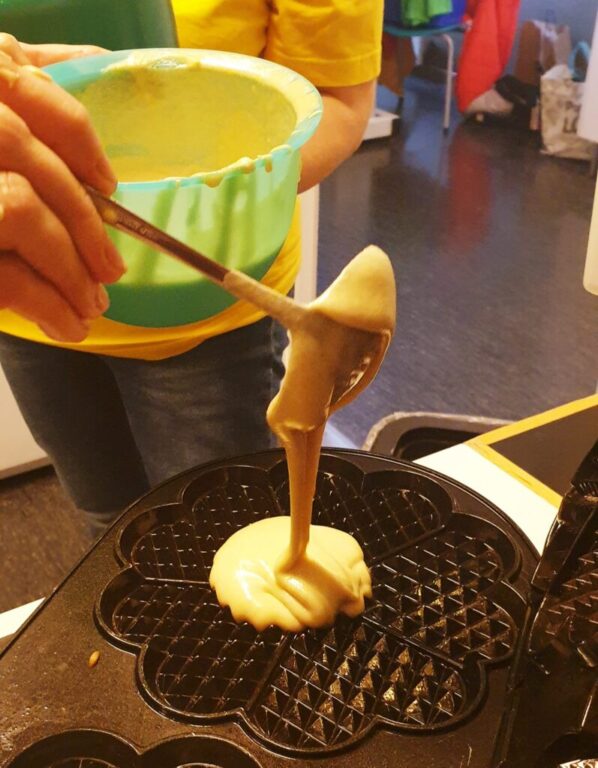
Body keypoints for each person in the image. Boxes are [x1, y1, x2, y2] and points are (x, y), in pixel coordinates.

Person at [0, 1, 383, 535]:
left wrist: (202, 207)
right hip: (29, 292)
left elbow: (339, 99)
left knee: (223, 532)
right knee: (107, 520)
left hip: (209, 312)